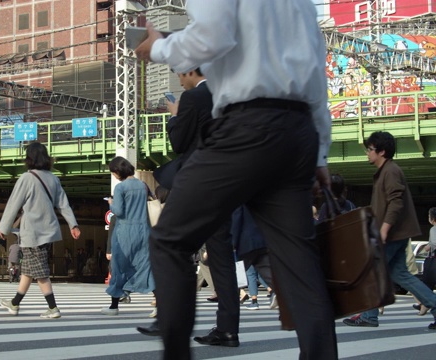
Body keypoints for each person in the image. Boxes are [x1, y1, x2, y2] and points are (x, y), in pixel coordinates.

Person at [134, 1, 337, 358]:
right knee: (300, 265)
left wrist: (159, 48)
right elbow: (316, 72)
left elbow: (212, 35)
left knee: (170, 239)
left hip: (247, 125)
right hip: (298, 129)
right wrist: (319, 152)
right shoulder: (301, 3)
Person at [139, 68, 240, 343]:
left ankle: (170, 320)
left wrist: (174, 116)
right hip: (226, 183)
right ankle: (228, 329)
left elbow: (180, 143)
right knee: (221, 258)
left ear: (190, 70)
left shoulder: (193, 98)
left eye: (179, 73)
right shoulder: (229, 94)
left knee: (167, 243)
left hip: (198, 183)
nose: (179, 80)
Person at [343, 131, 436, 329]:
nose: (367, 153)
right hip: (397, 232)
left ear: (381, 151)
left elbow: (396, 201)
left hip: (392, 233)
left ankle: (369, 316)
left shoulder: (390, 171)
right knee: (402, 275)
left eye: (370, 149)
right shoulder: (386, 171)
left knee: (371, 271)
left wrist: (384, 229)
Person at [0, 142, 81, 319]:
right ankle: (14, 303)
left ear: (29, 158)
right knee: (28, 269)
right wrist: (73, 224)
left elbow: (14, 204)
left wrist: (4, 227)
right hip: (48, 231)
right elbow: (63, 203)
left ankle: (53, 308)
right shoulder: (53, 178)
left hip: (32, 232)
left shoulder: (26, 178)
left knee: (40, 271)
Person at [101, 156, 155, 317]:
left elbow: (118, 211)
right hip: (143, 231)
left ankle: (114, 306)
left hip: (125, 232)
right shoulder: (142, 185)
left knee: (118, 268)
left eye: (113, 173)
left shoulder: (120, 188)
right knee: (146, 266)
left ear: (118, 171)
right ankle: (159, 305)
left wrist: (111, 203)